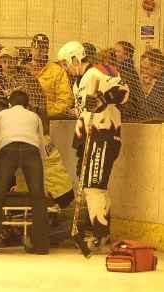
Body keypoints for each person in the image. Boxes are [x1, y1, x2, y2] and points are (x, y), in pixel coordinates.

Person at [58, 41, 130, 253]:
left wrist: (102, 99)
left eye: (65, 62)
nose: (64, 67)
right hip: (89, 141)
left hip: (103, 136)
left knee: (93, 187)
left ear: (75, 58)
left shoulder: (99, 71)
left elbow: (123, 91)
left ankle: (99, 236)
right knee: (95, 187)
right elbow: (84, 114)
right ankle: (102, 234)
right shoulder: (76, 83)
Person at [0, 90, 50, 255]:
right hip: (31, 150)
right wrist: (41, 169)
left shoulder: (2, 114)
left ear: (9, 103)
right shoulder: (34, 117)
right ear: (27, 105)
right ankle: (41, 246)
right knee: (38, 198)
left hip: (8, 149)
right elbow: (41, 143)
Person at [26, 33, 74, 119]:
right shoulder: (22, 70)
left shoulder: (57, 71)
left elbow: (65, 102)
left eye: (43, 47)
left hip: (47, 120)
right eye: (36, 47)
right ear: (31, 49)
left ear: (47, 50)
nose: (39, 50)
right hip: (24, 119)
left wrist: (43, 112)